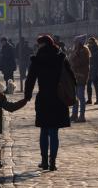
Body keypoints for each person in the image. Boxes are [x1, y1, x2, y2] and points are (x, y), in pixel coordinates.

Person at [24, 34, 75, 171]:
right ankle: (53, 162)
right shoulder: (61, 57)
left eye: (39, 44)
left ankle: (44, 161)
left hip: (44, 99)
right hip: (58, 99)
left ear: (42, 45)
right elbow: (71, 77)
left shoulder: (37, 59)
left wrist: (27, 96)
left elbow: (30, 80)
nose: (37, 46)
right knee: (54, 132)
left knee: (44, 130)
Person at [69, 36, 90, 122]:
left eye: (76, 42)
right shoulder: (76, 51)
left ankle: (82, 116)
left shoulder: (84, 51)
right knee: (74, 97)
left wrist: (74, 58)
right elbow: (70, 61)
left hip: (81, 76)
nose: (74, 43)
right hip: (74, 76)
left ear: (79, 43)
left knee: (80, 96)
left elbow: (78, 63)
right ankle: (74, 114)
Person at [87, 36, 98, 105]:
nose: (90, 44)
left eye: (91, 42)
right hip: (88, 70)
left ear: (94, 43)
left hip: (95, 70)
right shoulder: (88, 50)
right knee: (88, 85)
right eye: (89, 42)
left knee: (96, 85)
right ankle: (89, 99)